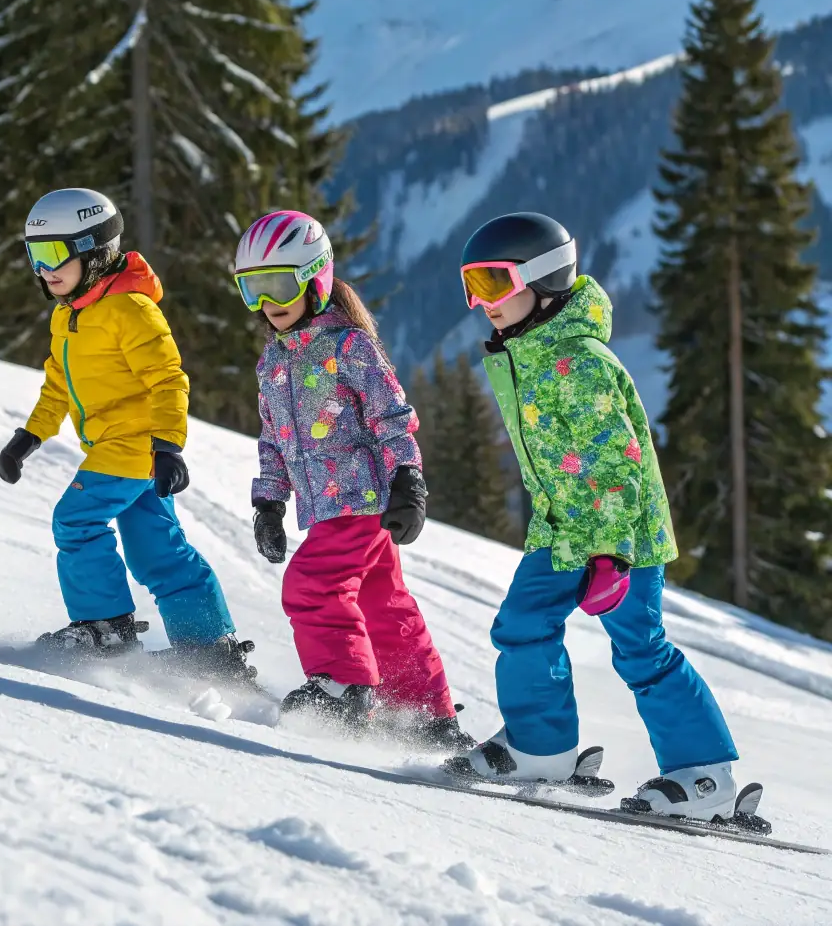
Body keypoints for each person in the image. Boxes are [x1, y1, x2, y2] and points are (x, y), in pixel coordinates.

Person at [453, 210, 741, 819]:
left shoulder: (579, 361)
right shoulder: (525, 353)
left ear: (543, 280)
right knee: (522, 625)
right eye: (472, 286)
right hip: (560, 532)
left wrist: (611, 552)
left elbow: (616, 467)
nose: (483, 304)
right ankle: (540, 747)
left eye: (493, 284)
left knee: (640, 647)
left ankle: (703, 777)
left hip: (621, 536)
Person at [0, 186, 254, 682]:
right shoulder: (69, 314)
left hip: (135, 445)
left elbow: (168, 379)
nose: (44, 269)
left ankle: (104, 628)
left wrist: (168, 445)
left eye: (53, 254)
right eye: (34, 255)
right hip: (120, 446)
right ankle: (208, 646)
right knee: (156, 548)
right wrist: (29, 437)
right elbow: (58, 384)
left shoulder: (131, 310)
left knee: (75, 520)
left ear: (94, 251)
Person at [236, 208, 469, 749]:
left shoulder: (349, 347)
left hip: (362, 500)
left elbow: (393, 419)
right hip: (325, 507)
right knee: (382, 604)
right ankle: (423, 713)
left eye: (276, 285)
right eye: (252, 290)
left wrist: (408, 478)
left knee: (312, 585)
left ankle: (343, 687)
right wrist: (269, 502)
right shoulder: (272, 361)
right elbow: (273, 439)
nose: (268, 304)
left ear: (314, 277)